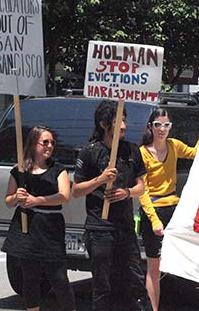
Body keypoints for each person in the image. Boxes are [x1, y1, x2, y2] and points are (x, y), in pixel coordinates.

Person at [138, 108, 199, 311]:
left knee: (195, 258)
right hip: (154, 212)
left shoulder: (174, 145)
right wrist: (154, 220)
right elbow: (143, 191)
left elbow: (195, 153)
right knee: (154, 268)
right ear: (151, 126)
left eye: (166, 125)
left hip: (175, 209)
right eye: (158, 125)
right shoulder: (142, 152)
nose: (162, 129)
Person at [72, 99, 152, 311]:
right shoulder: (89, 152)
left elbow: (141, 187)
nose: (124, 126)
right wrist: (100, 179)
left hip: (125, 228)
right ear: (103, 124)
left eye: (124, 121)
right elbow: (76, 190)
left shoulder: (132, 150)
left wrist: (126, 193)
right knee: (102, 286)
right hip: (100, 229)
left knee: (135, 282)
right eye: (117, 122)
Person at [1, 126, 76, 311]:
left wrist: (36, 200)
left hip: (50, 227)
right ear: (34, 144)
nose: (49, 146)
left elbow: (65, 196)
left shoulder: (58, 169)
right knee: (30, 278)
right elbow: (8, 201)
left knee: (58, 278)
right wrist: (17, 197)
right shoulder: (19, 171)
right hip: (26, 227)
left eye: (52, 142)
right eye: (45, 142)